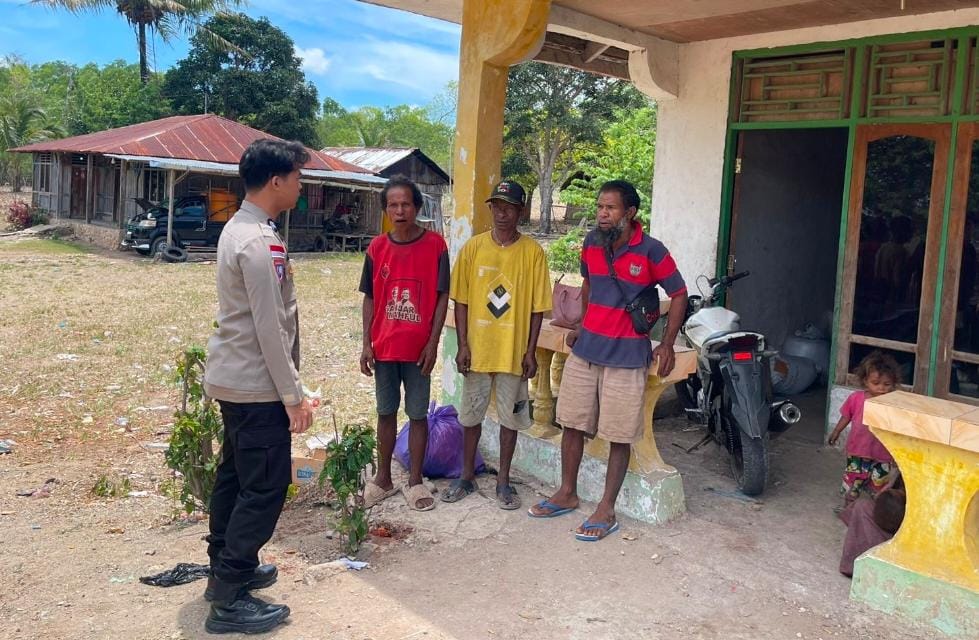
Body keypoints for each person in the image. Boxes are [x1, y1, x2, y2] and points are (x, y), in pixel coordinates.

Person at [529, 180, 688, 542]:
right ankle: (567, 492)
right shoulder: (591, 243)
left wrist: (667, 343)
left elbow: (679, 293)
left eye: (611, 208)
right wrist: (583, 323)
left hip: (628, 356)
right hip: (587, 352)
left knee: (618, 434)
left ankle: (606, 508)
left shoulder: (651, 250)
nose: (602, 213)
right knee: (570, 422)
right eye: (600, 207)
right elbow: (588, 284)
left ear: (629, 213)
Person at [201, 138, 314, 635]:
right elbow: (271, 327)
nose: (300, 184)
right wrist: (293, 396)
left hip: (235, 380)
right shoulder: (258, 241)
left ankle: (229, 565)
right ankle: (228, 599)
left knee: (235, 478)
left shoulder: (243, 227)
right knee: (265, 486)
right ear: (277, 181)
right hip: (256, 386)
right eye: (297, 176)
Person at [441, 180, 551, 510]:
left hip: (513, 353)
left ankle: (503, 480)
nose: (501, 213)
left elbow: (537, 308)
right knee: (470, 416)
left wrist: (530, 350)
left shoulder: (532, 253)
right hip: (477, 350)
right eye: (496, 206)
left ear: (520, 211)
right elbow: (459, 300)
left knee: (510, 419)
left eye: (508, 207)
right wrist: (462, 345)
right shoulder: (473, 249)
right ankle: (466, 476)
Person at [359, 176, 449, 511]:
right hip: (384, 347)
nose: (400, 210)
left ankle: (414, 481)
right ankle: (383, 479)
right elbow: (369, 298)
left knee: (417, 414)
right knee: (385, 412)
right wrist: (367, 343)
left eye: (406, 204)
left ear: (417, 208)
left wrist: (433, 342)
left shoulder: (436, 246)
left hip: (418, 351)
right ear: (385, 209)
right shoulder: (377, 248)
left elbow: (442, 297)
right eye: (393, 205)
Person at [828, 350, 899, 505]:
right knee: (854, 481)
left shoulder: (892, 404)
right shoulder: (855, 399)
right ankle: (848, 506)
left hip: (882, 453)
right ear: (865, 381)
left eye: (887, 384)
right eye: (876, 383)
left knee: (878, 484)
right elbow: (846, 416)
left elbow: (896, 430)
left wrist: (896, 453)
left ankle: (873, 511)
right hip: (858, 450)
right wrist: (836, 431)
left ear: (893, 384)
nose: (881, 388)